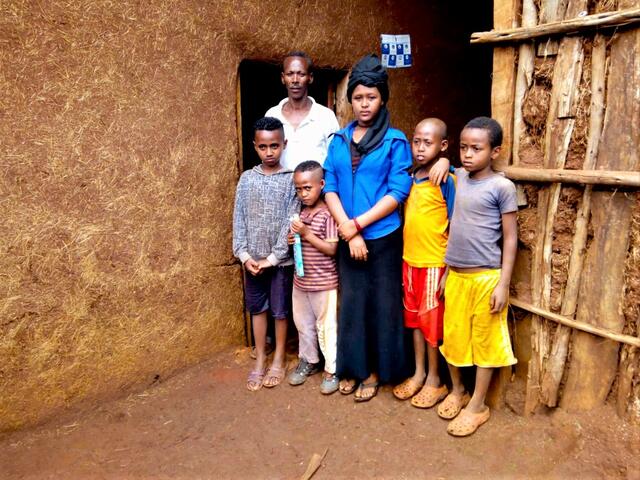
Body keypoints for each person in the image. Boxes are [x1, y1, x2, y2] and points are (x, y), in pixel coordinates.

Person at [323, 54, 450, 402]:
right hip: (350, 237)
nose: (364, 104)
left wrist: (358, 226)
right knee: (352, 304)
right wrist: (349, 231)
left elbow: (398, 191)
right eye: (359, 97)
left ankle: (378, 371)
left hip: (383, 238)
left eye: (372, 97)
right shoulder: (338, 140)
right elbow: (329, 185)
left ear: (383, 99)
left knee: (382, 305)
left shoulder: (395, 142)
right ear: (350, 100)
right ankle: (355, 367)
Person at [437, 117, 518, 436]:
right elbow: (454, 228)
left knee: (484, 343)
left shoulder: (502, 186)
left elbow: (510, 238)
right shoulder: (458, 177)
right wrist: (446, 271)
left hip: (486, 278)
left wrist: (504, 284)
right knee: (453, 337)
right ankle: (458, 390)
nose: (467, 154)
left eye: (476, 149)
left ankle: (478, 405)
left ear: (495, 151)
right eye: (463, 147)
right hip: (455, 276)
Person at [392, 118, 456, 409]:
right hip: (410, 262)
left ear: (442, 146)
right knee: (415, 321)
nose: (419, 148)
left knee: (432, 325)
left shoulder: (447, 179)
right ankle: (419, 373)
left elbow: (456, 224)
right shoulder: (412, 175)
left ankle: (435, 380)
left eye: (427, 143)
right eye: (416, 141)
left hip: (433, 263)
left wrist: (448, 163)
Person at [232, 117, 299, 391]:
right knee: (257, 309)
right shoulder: (247, 179)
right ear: (255, 147)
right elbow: (239, 218)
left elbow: (289, 221)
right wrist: (245, 255)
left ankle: (279, 358)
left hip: (280, 263)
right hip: (252, 262)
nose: (269, 152)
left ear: (284, 144)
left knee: (281, 312)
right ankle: (260, 358)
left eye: (274, 146)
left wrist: (272, 258)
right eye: (263, 147)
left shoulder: (290, 180)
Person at [287, 161, 340, 394]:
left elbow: (332, 249)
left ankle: (332, 369)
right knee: (303, 325)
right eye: (298, 189)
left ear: (321, 185)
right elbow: (301, 243)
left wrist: (306, 234)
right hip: (301, 281)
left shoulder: (328, 215)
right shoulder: (301, 213)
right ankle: (309, 360)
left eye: (308, 188)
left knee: (326, 327)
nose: (303, 193)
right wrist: (294, 240)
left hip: (324, 282)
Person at [265, 51, 340, 171]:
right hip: (279, 189)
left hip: (317, 189)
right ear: (283, 78)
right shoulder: (272, 115)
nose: (295, 80)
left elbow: (335, 160)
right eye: (290, 74)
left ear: (310, 78)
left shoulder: (326, 116)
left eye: (301, 74)